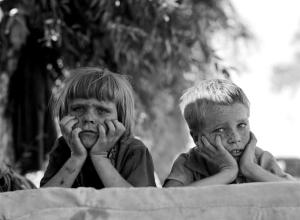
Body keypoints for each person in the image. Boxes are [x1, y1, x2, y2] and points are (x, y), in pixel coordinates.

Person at [164, 79, 294, 187]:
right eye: (220, 130)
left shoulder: (262, 159)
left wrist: (251, 169)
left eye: (241, 125)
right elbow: (167, 201)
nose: (235, 138)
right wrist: (228, 172)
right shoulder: (188, 163)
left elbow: (295, 192)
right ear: (196, 138)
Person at [40, 67, 156, 188]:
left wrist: (99, 156)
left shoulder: (134, 150)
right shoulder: (63, 148)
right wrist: (76, 156)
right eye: (78, 108)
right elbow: (42, 201)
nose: (88, 118)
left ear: (120, 119)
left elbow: (138, 203)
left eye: (102, 110)